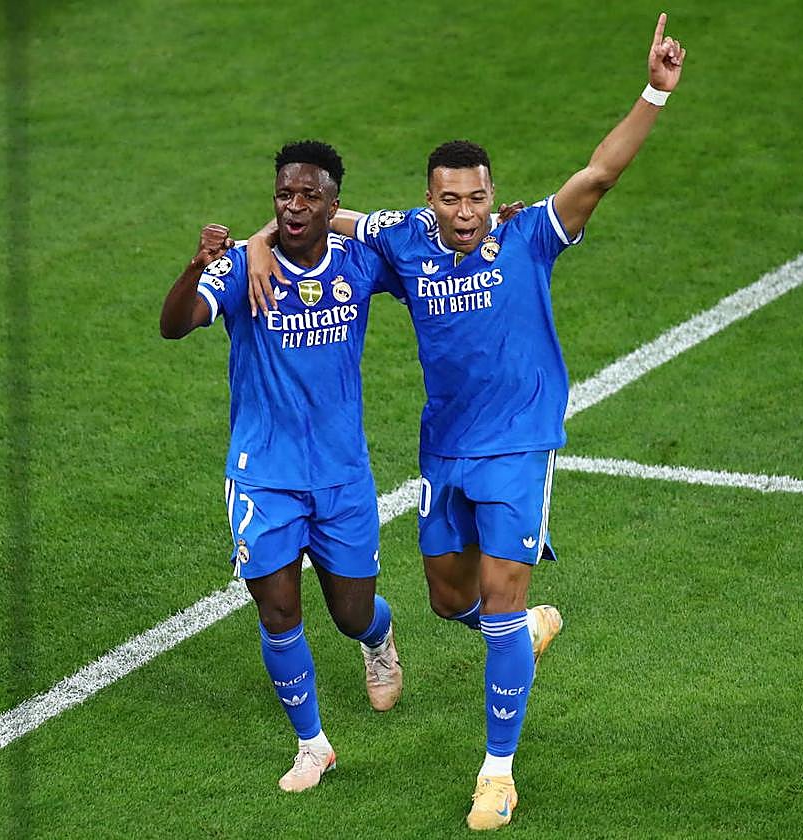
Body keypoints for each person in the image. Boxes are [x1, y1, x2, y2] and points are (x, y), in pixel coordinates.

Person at [246, 14, 685, 830]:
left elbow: (598, 174)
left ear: (493, 194)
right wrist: (260, 242)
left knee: (501, 597)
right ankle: (523, 629)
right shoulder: (404, 240)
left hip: (519, 444)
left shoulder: (529, 237)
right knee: (450, 602)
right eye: (449, 198)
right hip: (443, 447)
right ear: (430, 200)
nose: (464, 211)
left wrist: (655, 88)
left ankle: (497, 773)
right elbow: (319, 221)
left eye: (476, 196)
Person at [160, 140, 404, 793]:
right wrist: (197, 266)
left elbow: (428, 259)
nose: (293, 206)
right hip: (263, 471)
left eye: (308, 196)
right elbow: (176, 325)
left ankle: (378, 638)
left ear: (332, 203)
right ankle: (312, 744)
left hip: (341, 473)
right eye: (283, 196)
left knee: (350, 612)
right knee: (276, 608)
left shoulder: (359, 260)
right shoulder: (242, 268)